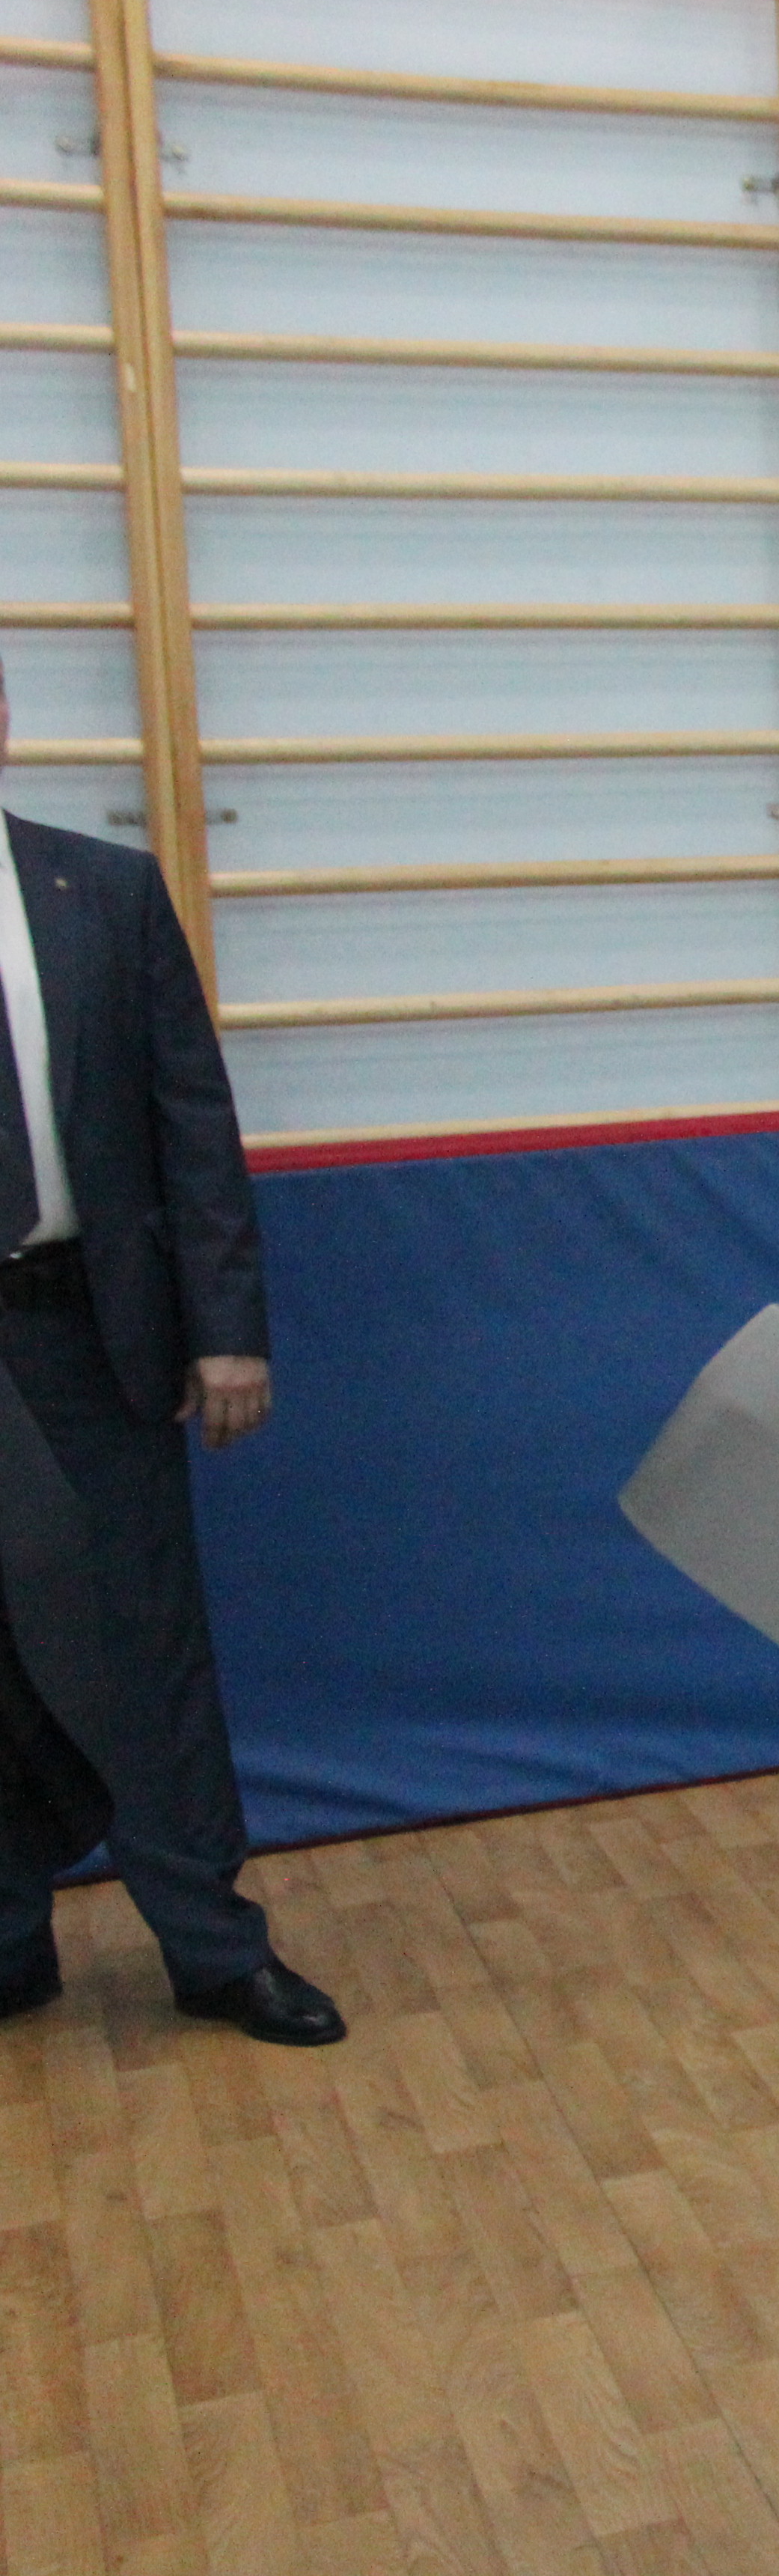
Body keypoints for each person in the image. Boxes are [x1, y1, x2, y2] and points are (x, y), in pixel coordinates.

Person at [0, 651, 342, 2045]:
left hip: (88, 1329)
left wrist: (227, 1332)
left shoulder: (103, 893)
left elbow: (191, 1119)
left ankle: (210, 1946)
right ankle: (9, 1938)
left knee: (147, 1649)